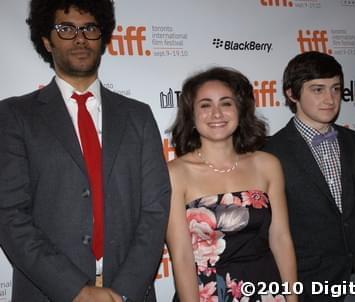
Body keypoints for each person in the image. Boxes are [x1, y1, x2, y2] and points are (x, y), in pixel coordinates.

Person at [0, 1, 170, 301]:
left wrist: (124, 290)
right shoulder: (15, 115)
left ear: (102, 37)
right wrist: (74, 290)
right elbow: (10, 215)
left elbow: (155, 210)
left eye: (89, 28)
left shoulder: (138, 115)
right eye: (66, 29)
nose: (80, 38)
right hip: (49, 293)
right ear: (46, 41)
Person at [263, 52, 355, 302]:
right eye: (317, 90)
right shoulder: (270, 152)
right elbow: (270, 233)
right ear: (292, 94)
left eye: (336, 89)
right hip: (309, 285)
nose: (330, 99)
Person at [166, 67, 298, 301]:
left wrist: (292, 298)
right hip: (208, 292)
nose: (217, 113)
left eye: (226, 103)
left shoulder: (267, 164)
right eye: (205, 105)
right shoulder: (176, 173)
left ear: (240, 111)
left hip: (265, 289)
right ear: (192, 116)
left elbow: (281, 239)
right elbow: (182, 256)